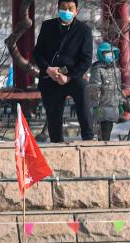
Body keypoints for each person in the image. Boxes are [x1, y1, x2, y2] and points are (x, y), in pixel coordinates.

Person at [32, 0, 95, 142]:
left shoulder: (84, 30)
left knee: (82, 90)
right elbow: (37, 53)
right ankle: (56, 142)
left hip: (72, 76)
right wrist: (47, 69)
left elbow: (86, 60)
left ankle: (88, 136)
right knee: (53, 115)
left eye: (70, 8)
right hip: (50, 76)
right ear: (58, 8)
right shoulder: (47, 26)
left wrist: (69, 77)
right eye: (63, 8)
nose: (67, 11)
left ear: (76, 11)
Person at [87, 42, 126, 141]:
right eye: (107, 53)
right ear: (101, 54)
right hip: (102, 106)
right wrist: (96, 105)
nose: (110, 55)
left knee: (108, 130)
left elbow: (118, 88)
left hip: (113, 105)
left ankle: (104, 144)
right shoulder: (97, 69)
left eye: (111, 53)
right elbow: (94, 88)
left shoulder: (116, 69)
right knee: (104, 130)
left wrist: (120, 104)